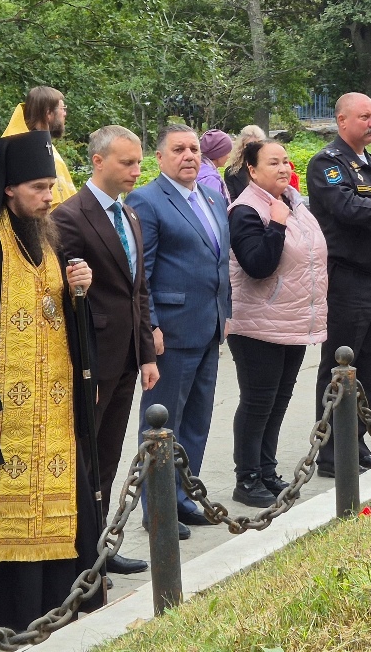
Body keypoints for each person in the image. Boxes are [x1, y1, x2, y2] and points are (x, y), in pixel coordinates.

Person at [0, 126, 102, 629]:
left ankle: (57, 600)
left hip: (53, 410)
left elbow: (60, 319)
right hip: (1, 410)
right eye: (38, 189)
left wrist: (80, 292)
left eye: (51, 188)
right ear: (10, 188)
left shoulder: (49, 239)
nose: (48, 197)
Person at [49, 125, 159, 576]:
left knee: (110, 453)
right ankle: (77, 550)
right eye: (126, 163)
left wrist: (147, 350)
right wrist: (83, 364)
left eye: (137, 162)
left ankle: (100, 544)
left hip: (129, 354)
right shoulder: (70, 217)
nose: (136, 171)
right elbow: (66, 296)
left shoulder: (128, 214)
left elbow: (140, 287)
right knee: (86, 454)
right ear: (98, 161)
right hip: (93, 358)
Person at [126, 124, 231, 533]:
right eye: (178, 149)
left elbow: (219, 262)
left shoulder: (211, 196)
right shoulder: (147, 201)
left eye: (193, 148)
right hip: (171, 330)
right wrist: (149, 325)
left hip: (209, 326)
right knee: (162, 422)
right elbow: (142, 273)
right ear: (160, 158)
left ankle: (184, 496)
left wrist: (226, 312)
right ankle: (158, 510)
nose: (189, 155)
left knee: (197, 421)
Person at [306, 93, 371, 477]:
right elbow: (347, 209)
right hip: (344, 278)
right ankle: (332, 451)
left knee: (367, 364)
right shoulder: (327, 164)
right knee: (340, 364)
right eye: (364, 117)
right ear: (341, 120)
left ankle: (357, 441)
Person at [226, 139, 328, 507]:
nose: (284, 168)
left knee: (278, 400)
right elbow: (257, 265)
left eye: (286, 161)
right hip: (257, 325)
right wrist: (277, 226)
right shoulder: (246, 210)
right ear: (252, 170)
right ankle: (247, 478)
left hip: (293, 320)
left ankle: (266, 470)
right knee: (257, 402)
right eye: (274, 163)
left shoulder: (292, 203)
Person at [21, 86, 78, 206]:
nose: (65, 113)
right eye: (62, 108)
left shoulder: (45, 145)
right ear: (48, 113)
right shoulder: (28, 150)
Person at [224, 125, 269, 200]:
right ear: (242, 147)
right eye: (250, 146)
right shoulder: (231, 172)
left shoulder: (271, 169)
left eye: (258, 146)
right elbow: (231, 201)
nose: (254, 150)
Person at [197, 128, 233, 202]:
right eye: (227, 152)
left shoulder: (198, 168)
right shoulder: (210, 180)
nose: (229, 156)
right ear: (219, 154)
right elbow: (213, 209)